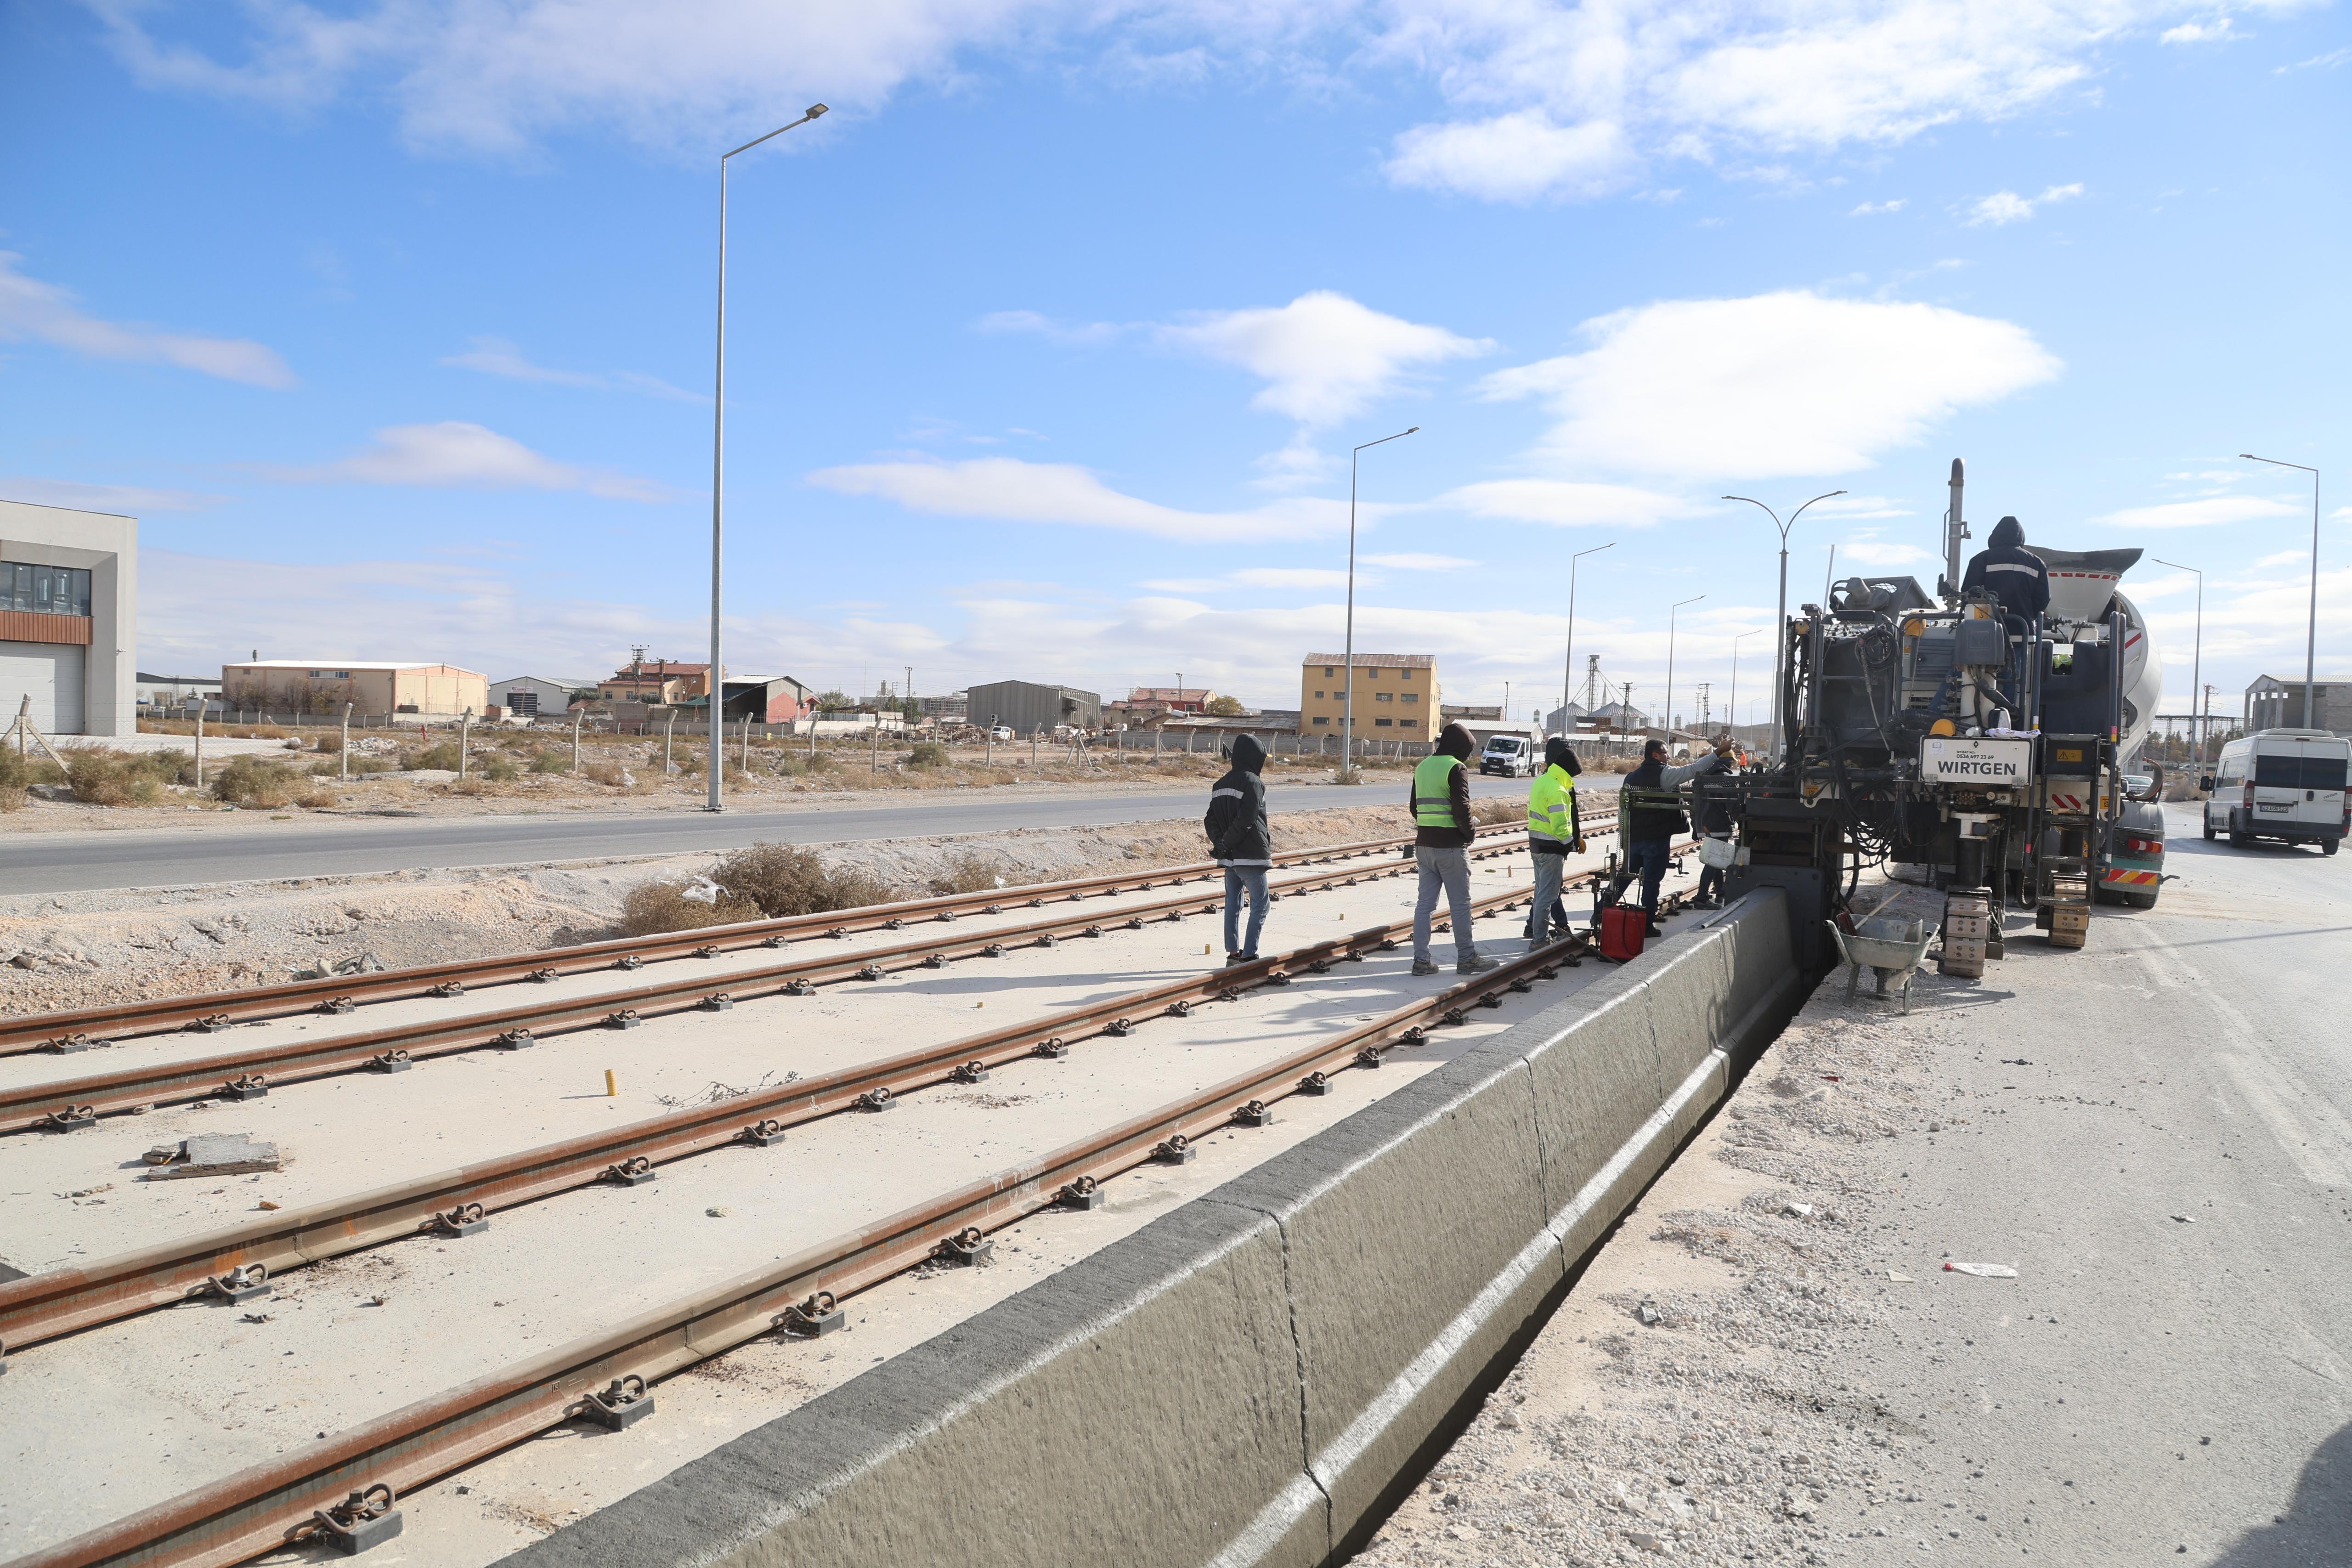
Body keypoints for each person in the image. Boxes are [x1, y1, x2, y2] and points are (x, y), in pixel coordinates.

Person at [1618, 735, 1733, 936]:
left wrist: (1624, 837)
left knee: (1624, 877)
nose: (1668, 757)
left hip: (1634, 838)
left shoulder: (1631, 777)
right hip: (1656, 838)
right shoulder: (1665, 775)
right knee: (1652, 883)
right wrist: (1718, 752)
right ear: (1655, 755)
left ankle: (1602, 912)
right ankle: (1646, 926)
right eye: (1665, 753)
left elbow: (1623, 809)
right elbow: (1693, 769)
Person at [1409, 722, 1499, 975]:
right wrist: (1470, 835)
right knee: (1460, 905)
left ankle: (1421, 961)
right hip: (1450, 848)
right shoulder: (1455, 767)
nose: (1469, 756)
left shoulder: (1423, 766)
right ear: (1461, 747)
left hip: (1424, 846)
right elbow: (1462, 808)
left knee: (1424, 906)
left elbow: (1414, 807)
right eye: (1468, 749)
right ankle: (1467, 959)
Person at [1204, 734, 1272, 964]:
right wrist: (1226, 843)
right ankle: (1249, 954)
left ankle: (1233, 952)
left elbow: (1210, 819)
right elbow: (1247, 819)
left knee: (1233, 904)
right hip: (1251, 856)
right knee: (1261, 905)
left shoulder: (1220, 784)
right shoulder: (1253, 782)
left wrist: (1221, 844)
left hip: (1230, 858)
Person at [1524, 736, 1586, 949]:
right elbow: (1560, 826)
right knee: (1548, 896)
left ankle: (1535, 931)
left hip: (1537, 845)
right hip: (1552, 848)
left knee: (1541, 892)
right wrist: (1571, 842)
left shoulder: (1542, 781)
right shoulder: (1558, 790)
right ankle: (1539, 940)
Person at [1960, 515, 2052, 622]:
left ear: (1995, 536)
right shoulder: (2036, 563)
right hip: (2023, 628)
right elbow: (2042, 599)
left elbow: (1968, 594)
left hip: (1984, 630)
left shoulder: (1980, 560)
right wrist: (2028, 615)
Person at [1690, 733, 1742, 909]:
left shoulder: (1703, 777)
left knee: (1716, 858)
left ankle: (1720, 890)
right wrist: (1742, 820)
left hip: (1705, 823)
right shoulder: (1725, 779)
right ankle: (1702, 897)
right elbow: (1732, 805)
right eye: (1732, 762)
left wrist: (1695, 825)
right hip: (1719, 824)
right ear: (1728, 763)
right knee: (1714, 860)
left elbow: (1693, 803)